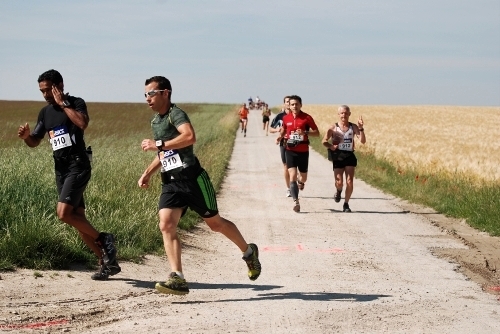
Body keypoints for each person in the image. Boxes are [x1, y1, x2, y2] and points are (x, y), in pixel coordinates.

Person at [138, 76, 261, 295]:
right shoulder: (156, 121)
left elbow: (189, 136)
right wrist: (147, 172)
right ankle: (178, 277)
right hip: (171, 182)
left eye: (151, 93)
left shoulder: (176, 114)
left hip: (192, 179)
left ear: (165, 93)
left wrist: (158, 143)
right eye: (145, 94)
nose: (147, 98)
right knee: (166, 224)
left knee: (215, 224)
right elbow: (165, 152)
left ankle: (249, 252)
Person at [17, 69, 119, 280]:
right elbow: (35, 141)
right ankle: (106, 262)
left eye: (48, 90)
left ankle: (105, 239)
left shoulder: (76, 102)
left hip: (78, 165)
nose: (45, 95)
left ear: (59, 85)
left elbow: (82, 123)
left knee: (63, 213)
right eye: (41, 91)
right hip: (61, 169)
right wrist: (27, 137)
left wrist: (63, 103)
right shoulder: (45, 113)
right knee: (76, 218)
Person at [277, 95, 319, 212]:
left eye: (297, 104)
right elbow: (284, 130)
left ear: (301, 105)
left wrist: (305, 132)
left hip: (303, 151)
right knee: (292, 176)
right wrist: (280, 137)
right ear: (289, 106)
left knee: (303, 177)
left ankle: (301, 182)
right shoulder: (286, 118)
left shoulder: (307, 118)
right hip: (290, 150)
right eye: (292, 104)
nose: (294, 106)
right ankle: (296, 202)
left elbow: (317, 133)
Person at [321, 105, 366, 212]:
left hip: (349, 155)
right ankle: (339, 190)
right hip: (337, 155)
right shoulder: (333, 127)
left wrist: (361, 128)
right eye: (342, 113)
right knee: (339, 182)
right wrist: (331, 146)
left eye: (346, 113)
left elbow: (363, 141)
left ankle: (346, 204)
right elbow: (324, 141)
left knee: (350, 181)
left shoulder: (353, 127)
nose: (344, 115)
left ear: (349, 114)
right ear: (338, 114)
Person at [270, 96, 292, 197]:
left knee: (296, 166)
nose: (289, 103)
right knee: (286, 166)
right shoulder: (280, 116)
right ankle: (288, 188)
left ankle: (296, 182)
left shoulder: (297, 115)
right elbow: (271, 128)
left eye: (290, 102)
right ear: (284, 104)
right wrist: (277, 130)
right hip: (284, 142)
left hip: (297, 143)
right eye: (287, 102)